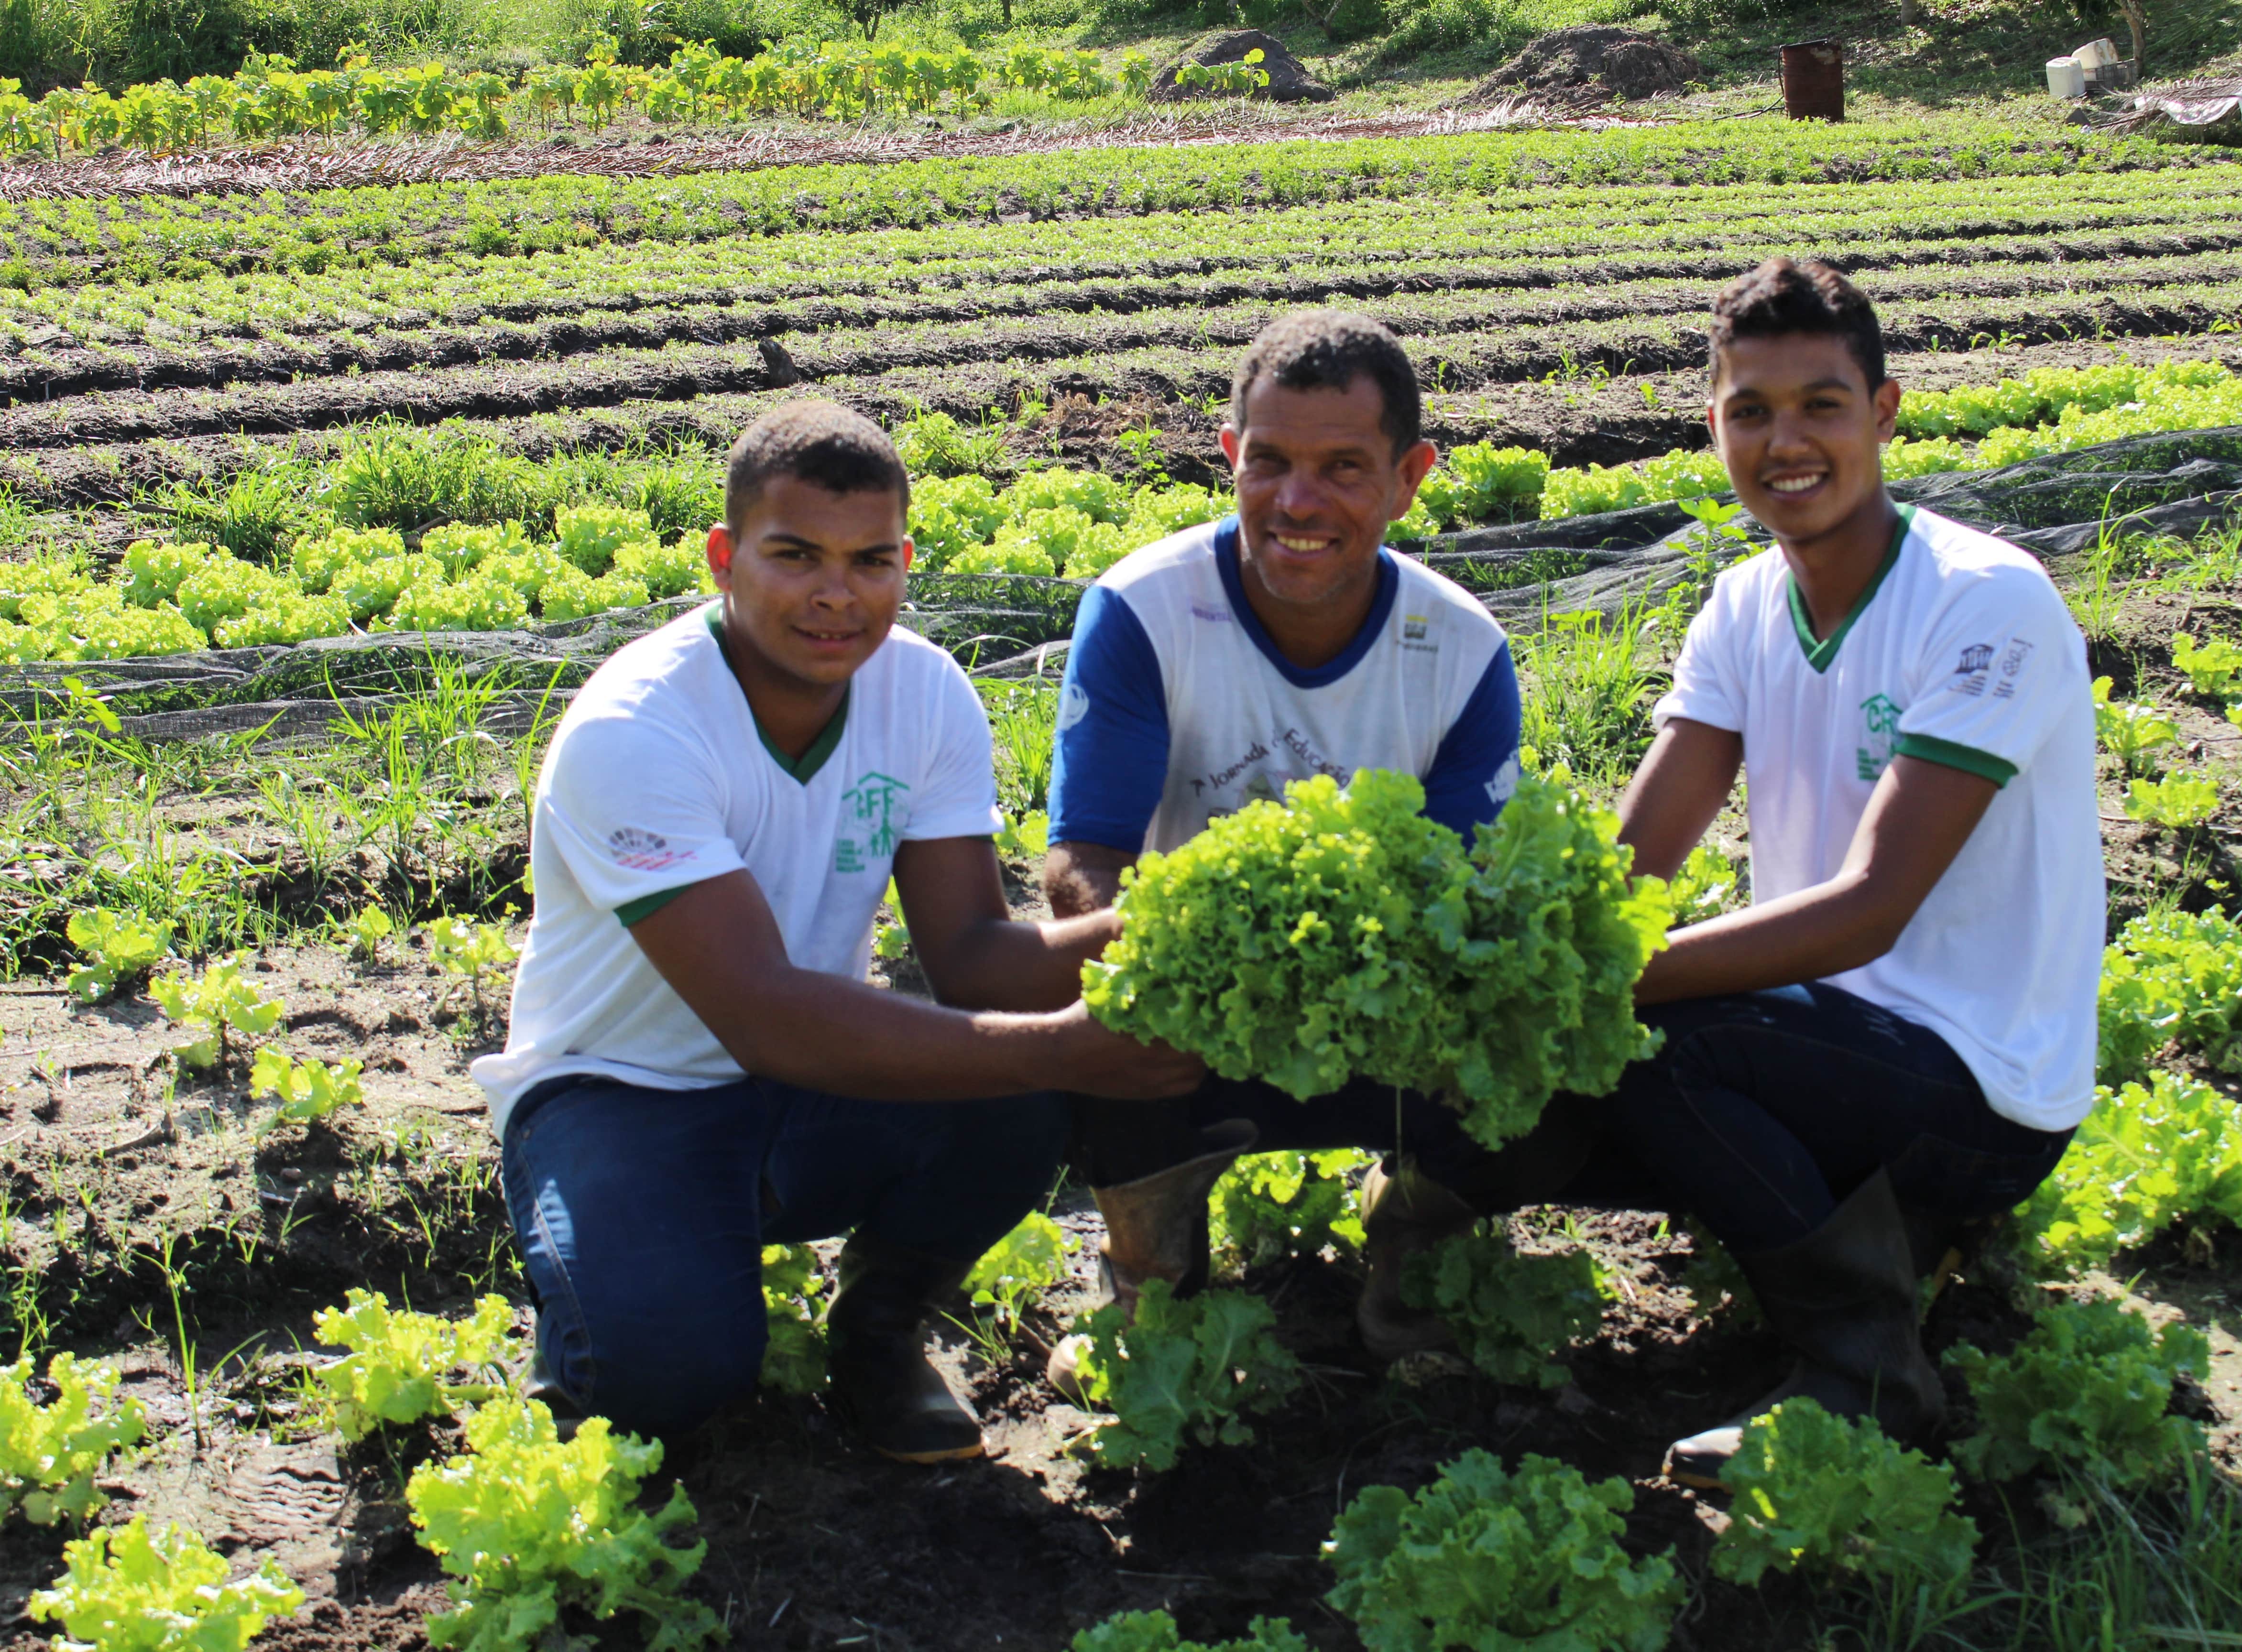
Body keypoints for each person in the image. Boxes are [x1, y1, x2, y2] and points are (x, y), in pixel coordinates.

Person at [473, 401, 1200, 1464]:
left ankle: (879, 1331)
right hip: (619, 1092)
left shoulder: (924, 690)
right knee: (667, 1380)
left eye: (870, 561)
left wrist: (1191, 929)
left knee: (1026, 1093)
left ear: (906, 561)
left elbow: (970, 959)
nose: (835, 595)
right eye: (795, 555)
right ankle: (599, 1304)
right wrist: (1074, 1044)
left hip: (805, 1088)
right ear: (725, 557)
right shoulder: (637, 728)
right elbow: (766, 1012)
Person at [1609, 259, 2103, 1486]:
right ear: (1713, 424)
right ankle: (1884, 1232)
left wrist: (1604, 978)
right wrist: (1531, 959)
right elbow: (1638, 852)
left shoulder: (1986, 602)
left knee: (1656, 1039)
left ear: (1884, 413)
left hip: (1978, 1083)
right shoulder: (1740, 604)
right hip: (1840, 1040)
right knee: (1572, 1069)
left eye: (1822, 405)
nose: (1787, 442)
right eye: (1751, 411)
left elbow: (1871, 910)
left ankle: (1865, 1372)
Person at [1042, 310, 1557, 1379]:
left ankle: (1414, 1247)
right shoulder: (1144, 610)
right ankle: (1152, 1273)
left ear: (1411, 476)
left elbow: (1467, 899)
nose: (1298, 502)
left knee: (1535, 1033)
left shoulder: (1459, 651)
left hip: (1387, 1022)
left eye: (1343, 468)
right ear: (1229, 456)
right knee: (1085, 1008)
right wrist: (1157, 952)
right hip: (1200, 1013)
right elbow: (1080, 860)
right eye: (1269, 462)